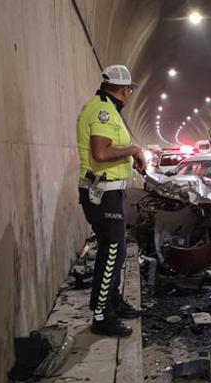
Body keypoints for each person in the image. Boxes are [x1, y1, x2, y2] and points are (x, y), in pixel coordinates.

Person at [77, 64, 146, 336]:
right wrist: (134, 149)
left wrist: (131, 157)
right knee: (111, 254)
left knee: (113, 251)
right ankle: (102, 315)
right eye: (129, 89)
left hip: (109, 191)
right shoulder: (103, 111)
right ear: (123, 89)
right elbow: (101, 153)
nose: (129, 94)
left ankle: (112, 302)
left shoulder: (105, 108)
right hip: (102, 193)